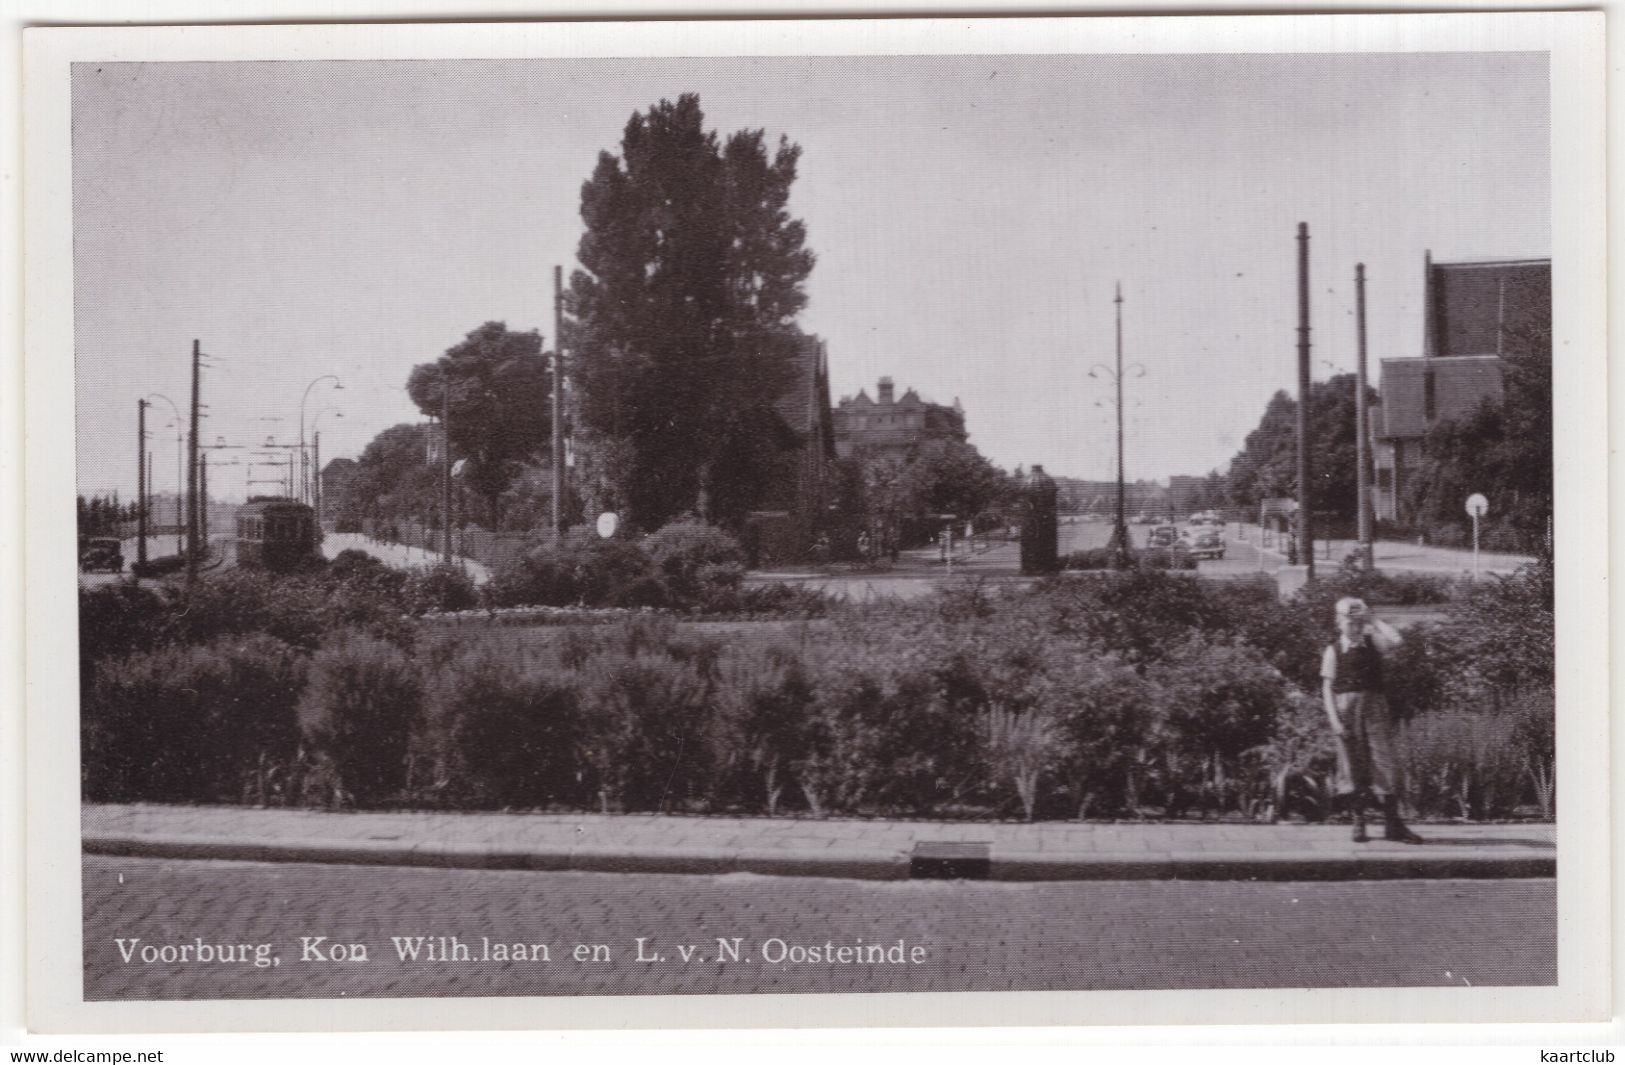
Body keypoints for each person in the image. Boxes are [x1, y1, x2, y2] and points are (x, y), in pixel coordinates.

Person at [1321, 597, 1423, 844]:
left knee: (1383, 762)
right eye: (1349, 622)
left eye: (1358, 622)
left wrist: (1372, 619)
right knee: (1352, 766)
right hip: (1346, 709)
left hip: (1375, 708)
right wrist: (1334, 720)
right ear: (1338, 622)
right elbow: (1327, 688)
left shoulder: (1372, 643)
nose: (1354, 627)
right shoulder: (1333, 650)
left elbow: (1397, 641)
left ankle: (1393, 824)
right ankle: (1359, 823)